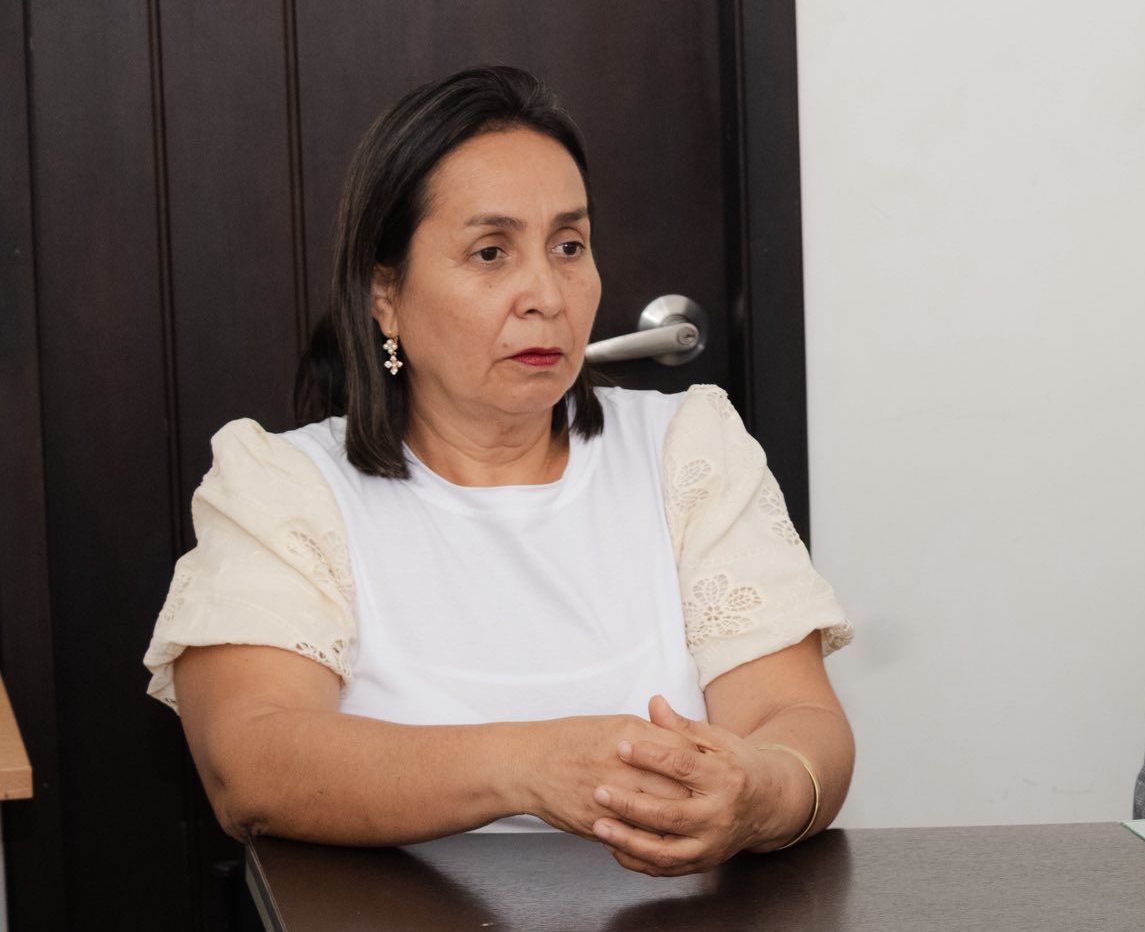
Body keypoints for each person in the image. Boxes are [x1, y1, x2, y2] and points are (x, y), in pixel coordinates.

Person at [145, 65, 853, 874]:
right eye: (491, 252)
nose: (546, 294)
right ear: (384, 295)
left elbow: (799, 720)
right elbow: (251, 764)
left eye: (568, 246)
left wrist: (758, 792)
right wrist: (529, 769)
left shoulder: (687, 449)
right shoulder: (282, 487)